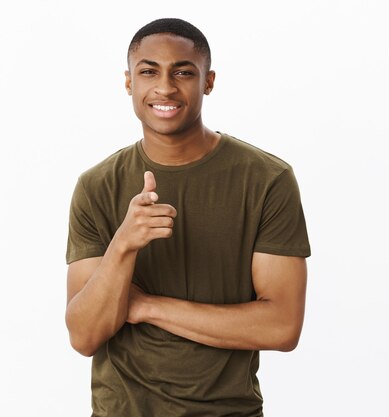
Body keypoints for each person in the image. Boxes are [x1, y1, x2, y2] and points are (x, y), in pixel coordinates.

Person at [65, 18, 310, 417]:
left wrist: (147, 307)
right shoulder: (96, 186)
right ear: (129, 82)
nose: (165, 87)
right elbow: (83, 335)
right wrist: (123, 244)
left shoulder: (267, 179)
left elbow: (282, 327)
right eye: (148, 71)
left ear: (208, 82)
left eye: (183, 72)